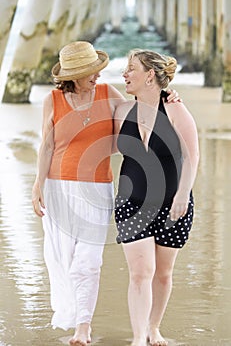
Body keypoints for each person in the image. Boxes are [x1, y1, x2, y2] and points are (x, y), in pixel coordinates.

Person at [32, 41, 180, 346]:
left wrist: (166, 95)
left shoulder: (107, 93)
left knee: (88, 260)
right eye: (89, 73)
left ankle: (82, 328)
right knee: (60, 258)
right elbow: (47, 145)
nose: (96, 76)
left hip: (97, 189)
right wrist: (38, 184)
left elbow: (140, 105)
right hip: (58, 187)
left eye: (97, 70)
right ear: (73, 75)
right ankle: (72, 315)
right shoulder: (53, 99)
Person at [114, 49, 199, 346]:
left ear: (150, 74)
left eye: (131, 68)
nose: (124, 74)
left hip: (172, 204)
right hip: (131, 203)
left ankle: (153, 328)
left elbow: (192, 157)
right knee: (141, 272)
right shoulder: (122, 110)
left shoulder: (175, 109)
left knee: (162, 274)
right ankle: (138, 338)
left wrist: (182, 196)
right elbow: (91, 98)